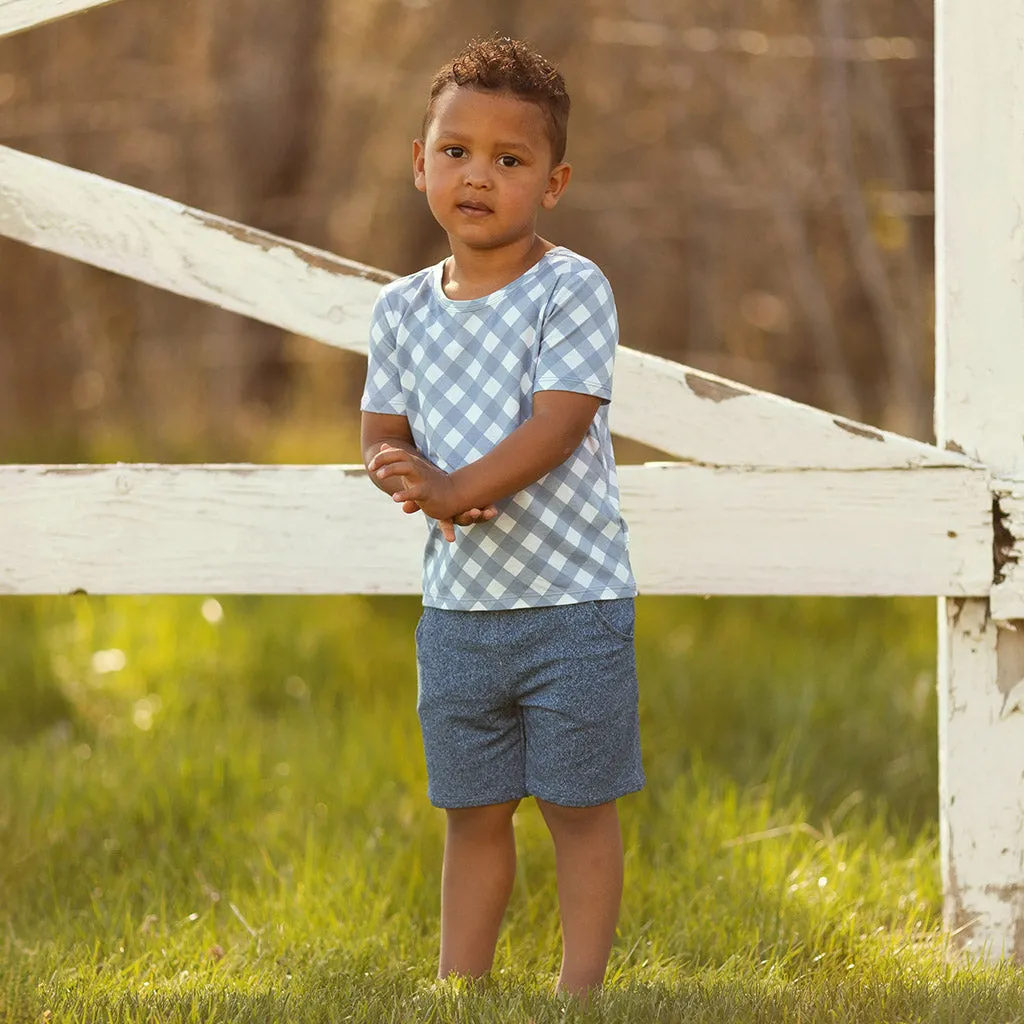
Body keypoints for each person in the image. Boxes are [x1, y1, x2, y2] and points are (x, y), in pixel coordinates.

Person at [359, 34, 643, 997]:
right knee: (473, 811)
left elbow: (559, 426)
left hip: (574, 606)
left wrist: (455, 486)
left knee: (576, 805)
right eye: (455, 152)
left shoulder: (570, 289)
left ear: (553, 182)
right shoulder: (399, 310)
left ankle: (579, 993)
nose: (477, 176)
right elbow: (381, 428)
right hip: (460, 617)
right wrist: (399, 471)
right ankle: (460, 989)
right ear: (419, 163)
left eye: (508, 160)